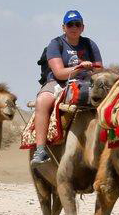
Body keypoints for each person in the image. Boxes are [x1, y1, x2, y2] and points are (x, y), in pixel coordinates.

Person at [30, 10, 103, 166]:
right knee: (42, 100)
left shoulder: (89, 44)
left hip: (86, 82)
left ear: (82, 27)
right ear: (64, 27)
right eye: (70, 25)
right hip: (59, 83)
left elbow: (99, 70)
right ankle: (40, 150)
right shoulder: (56, 44)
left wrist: (91, 70)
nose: (74, 27)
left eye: (77, 24)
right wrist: (79, 67)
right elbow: (59, 73)